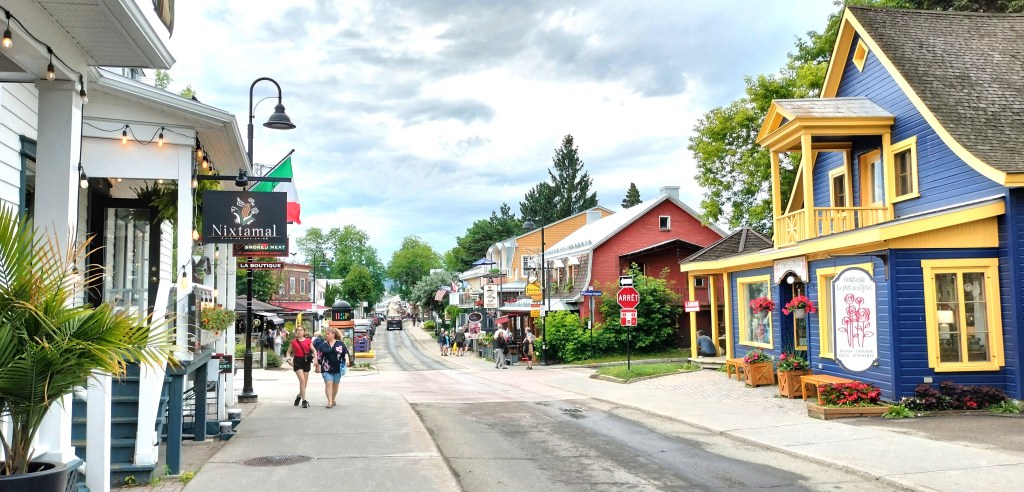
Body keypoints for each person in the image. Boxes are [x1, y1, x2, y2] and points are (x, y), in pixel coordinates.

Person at [313, 328, 349, 408]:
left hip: (337, 367)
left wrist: (347, 360)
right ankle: (329, 401)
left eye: (328, 334)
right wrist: (317, 366)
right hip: (326, 367)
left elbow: (345, 353)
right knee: (328, 383)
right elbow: (319, 357)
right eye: (326, 334)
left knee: (335, 384)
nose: (327, 335)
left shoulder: (340, 344)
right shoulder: (323, 345)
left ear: (333, 334)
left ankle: (333, 398)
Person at [286, 326, 313, 408]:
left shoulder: (308, 341)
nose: (299, 331)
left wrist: (315, 359)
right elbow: (288, 352)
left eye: (301, 330)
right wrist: (289, 360)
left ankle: (299, 396)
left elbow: (314, 350)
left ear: (304, 332)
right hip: (297, 361)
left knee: (304, 383)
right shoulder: (293, 342)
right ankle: (304, 401)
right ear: (296, 332)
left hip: (306, 361)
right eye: (298, 330)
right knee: (302, 380)